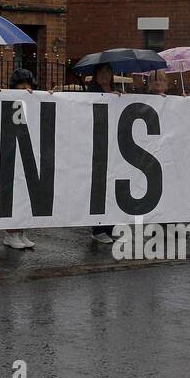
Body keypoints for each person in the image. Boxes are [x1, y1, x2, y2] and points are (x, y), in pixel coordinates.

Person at [86, 62, 123, 243]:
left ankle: (110, 225)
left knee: (113, 184)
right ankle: (98, 228)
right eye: (101, 71)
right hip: (98, 144)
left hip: (114, 145)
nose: (105, 75)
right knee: (100, 185)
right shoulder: (90, 91)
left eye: (108, 71)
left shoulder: (117, 92)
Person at [3, 68, 38, 250]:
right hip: (11, 152)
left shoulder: (32, 101)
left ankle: (21, 231)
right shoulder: (8, 100)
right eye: (21, 84)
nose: (25, 88)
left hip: (27, 151)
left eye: (28, 84)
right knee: (14, 193)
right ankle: (11, 233)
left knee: (26, 194)